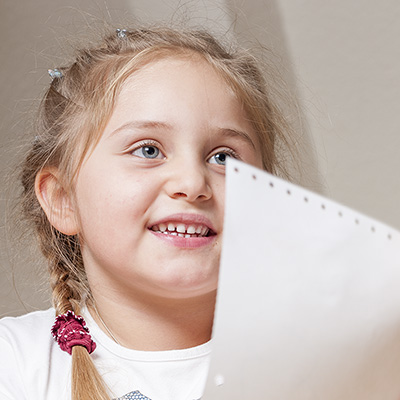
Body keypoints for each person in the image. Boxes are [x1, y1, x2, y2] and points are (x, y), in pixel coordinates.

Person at [0, 26, 291, 400]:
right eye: (148, 150)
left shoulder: (328, 357)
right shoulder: (14, 363)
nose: (192, 182)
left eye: (223, 157)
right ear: (63, 199)